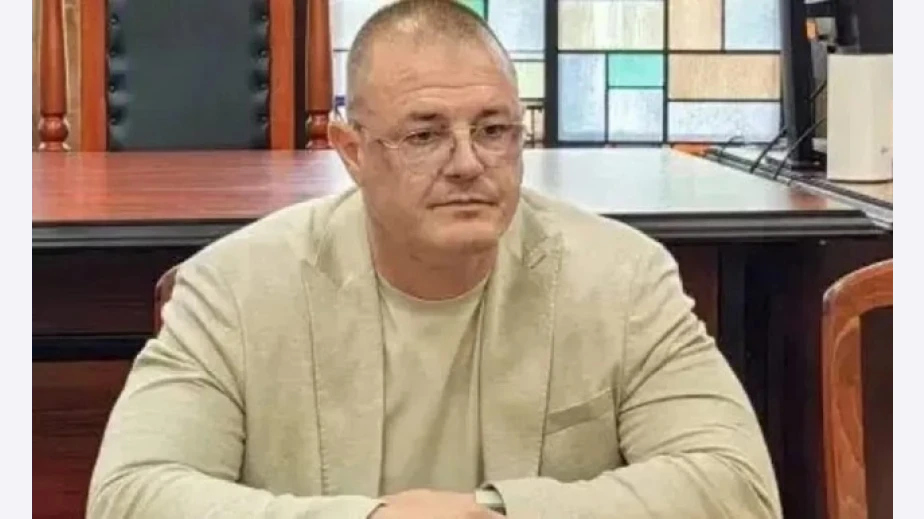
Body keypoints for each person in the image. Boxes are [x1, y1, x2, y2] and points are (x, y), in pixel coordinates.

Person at [87, 1, 782, 517]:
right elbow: (130, 494)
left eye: (494, 130)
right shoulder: (233, 289)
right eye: (424, 135)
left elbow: (739, 489)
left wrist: (498, 514)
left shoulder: (623, 278)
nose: (467, 163)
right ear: (352, 151)